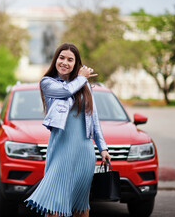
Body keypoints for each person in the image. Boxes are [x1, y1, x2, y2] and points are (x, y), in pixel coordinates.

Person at [25, 43, 111, 217]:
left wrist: (103, 148)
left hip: (84, 152)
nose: (65, 62)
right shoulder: (48, 83)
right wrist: (82, 78)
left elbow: (94, 118)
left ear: (76, 64)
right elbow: (66, 92)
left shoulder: (84, 86)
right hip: (60, 152)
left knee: (81, 207)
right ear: (55, 60)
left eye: (70, 59)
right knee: (55, 206)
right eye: (61, 57)